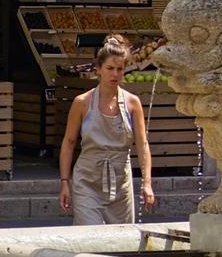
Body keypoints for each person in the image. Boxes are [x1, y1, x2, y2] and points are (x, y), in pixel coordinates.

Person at [59, 36, 153, 225]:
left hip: (120, 183)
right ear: (99, 69)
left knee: (121, 241)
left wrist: (147, 182)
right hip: (87, 180)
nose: (115, 74)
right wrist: (64, 183)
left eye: (119, 69)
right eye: (110, 68)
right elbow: (69, 143)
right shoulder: (82, 102)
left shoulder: (132, 103)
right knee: (89, 235)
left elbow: (142, 145)